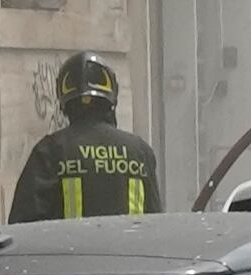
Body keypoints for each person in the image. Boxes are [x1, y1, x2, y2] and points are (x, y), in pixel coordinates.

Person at [9, 53, 163, 222]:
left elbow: (22, 224)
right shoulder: (140, 152)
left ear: (64, 101)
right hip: (129, 241)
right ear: (112, 97)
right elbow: (156, 222)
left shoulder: (50, 151)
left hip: (69, 241)